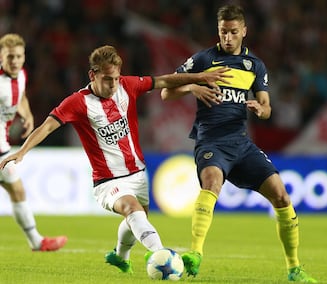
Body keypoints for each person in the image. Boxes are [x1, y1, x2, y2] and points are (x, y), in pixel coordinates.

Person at [0, 45, 230, 273]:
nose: (113, 85)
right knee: (131, 209)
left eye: (117, 78)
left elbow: (164, 80)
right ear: (93, 74)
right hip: (108, 181)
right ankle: (161, 255)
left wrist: (199, 78)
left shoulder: (127, 86)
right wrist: (22, 151)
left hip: (138, 174)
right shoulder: (77, 103)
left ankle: (120, 256)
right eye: (108, 79)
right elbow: (47, 126)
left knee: (137, 217)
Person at [160, 5, 317, 283]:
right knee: (212, 182)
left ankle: (294, 269)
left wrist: (261, 109)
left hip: (242, 144)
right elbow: (165, 91)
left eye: (233, 32)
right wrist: (192, 86)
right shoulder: (202, 59)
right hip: (211, 141)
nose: (228, 38)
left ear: (244, 31)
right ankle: (195, 253)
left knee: (281, 195)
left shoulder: (255, 66)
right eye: (223, 32)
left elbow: (267, 106)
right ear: (218, 31)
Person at [0, 33, 67, 251]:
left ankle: (37, 242)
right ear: (1, 56)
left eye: (19, 56)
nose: (15, 61)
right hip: (0, 147)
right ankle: (37, 242)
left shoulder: (21, 76)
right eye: (10, 57)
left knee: (17, 191)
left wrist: (27, 115)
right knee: (17, 190)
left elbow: (21, 98)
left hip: (4, 144)